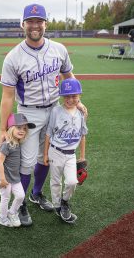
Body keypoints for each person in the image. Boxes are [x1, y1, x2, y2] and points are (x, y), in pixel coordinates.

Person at [0, 3, 87, 226]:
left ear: (46, 23)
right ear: (23, 24)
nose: (35, 25)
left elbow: (69, 76)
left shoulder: (59, 49)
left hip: (56, 109)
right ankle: (21, 203)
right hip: (28, 114)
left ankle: (36, 194)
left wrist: (77, 101)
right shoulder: (13, 57)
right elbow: (8, 96)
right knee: (26, 162)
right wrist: (2, 129)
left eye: (39, 21)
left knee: (46, 157)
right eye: (30, 21)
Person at [44, 78, 88, 224]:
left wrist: (82, 157)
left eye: (74, 96)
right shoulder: (56, 111)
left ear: (79, 96)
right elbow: (49, 133)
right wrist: (45, 154)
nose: (70, 99)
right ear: (62, 96)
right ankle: (58, 206)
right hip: (55, 151)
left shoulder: (81, 113)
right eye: (67, 96)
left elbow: (83, 135)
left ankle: (64, 201)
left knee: (72, 182)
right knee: (55, 181)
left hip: (71, 155)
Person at [0, 113, 36, 227]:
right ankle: (2, 218)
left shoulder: (18, 142)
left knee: (20, 196)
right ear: (11, 128)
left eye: (24, 128)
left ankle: (12, 213)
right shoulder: (7, 144)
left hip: (15, 177)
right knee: (5, 197)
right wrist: (2, 179)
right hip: (4, 178)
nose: (22, 130)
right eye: (18, 127)